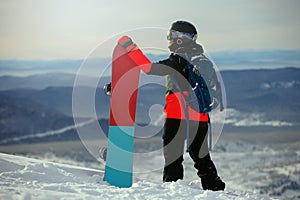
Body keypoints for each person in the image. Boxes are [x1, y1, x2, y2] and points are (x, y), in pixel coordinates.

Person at [146, 20, 225, 191]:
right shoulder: (200, 58)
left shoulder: (178, 60)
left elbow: (149, 68)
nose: (169, 40)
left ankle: (173, 190)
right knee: (200, 155)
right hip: (200, 115)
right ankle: (215, 189)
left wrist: (129, 50)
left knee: (173, 155)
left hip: (178, 115)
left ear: (180, 38)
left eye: (171, 36)